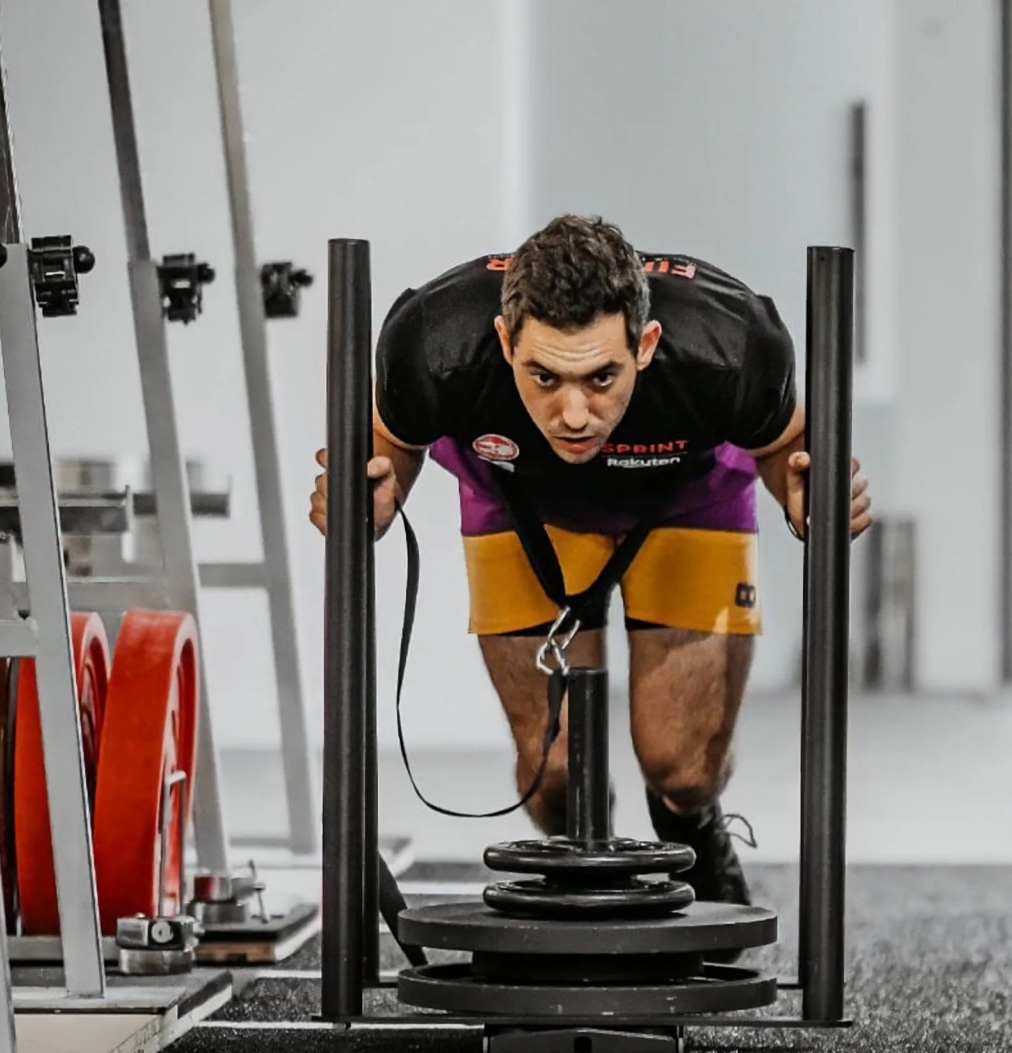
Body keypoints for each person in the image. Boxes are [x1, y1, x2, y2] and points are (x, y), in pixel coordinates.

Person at [309, 214, 872, 907]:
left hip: (683, 497)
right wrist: (376, 491)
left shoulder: (730, 343)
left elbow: (787, 444)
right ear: (505, 340)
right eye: (543, 377)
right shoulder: (434, 338)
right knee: (551, 779)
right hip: (520, 505)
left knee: (683, 767)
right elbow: (389, 443)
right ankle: (602, 879)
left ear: (646, 343)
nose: (574, 413)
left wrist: (805, 491)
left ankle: (696, 832)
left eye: (601, 377)